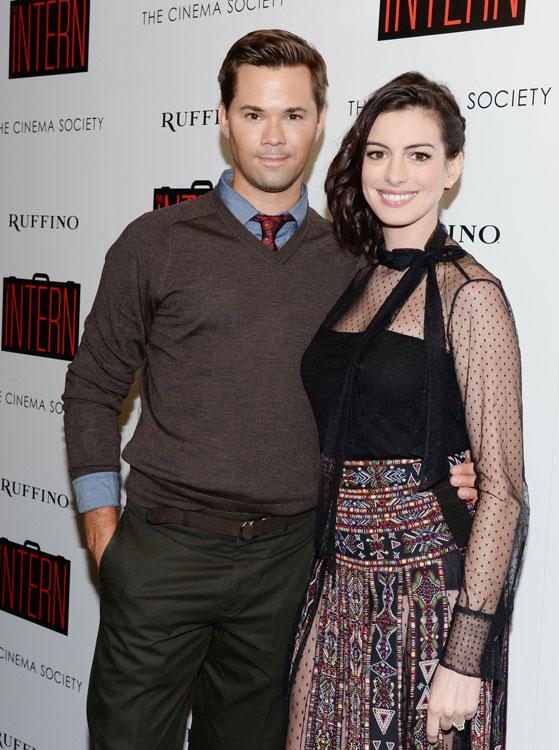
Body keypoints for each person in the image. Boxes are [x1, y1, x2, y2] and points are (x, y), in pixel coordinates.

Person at [62, 32, 478, 750]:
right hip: (165, 551)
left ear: (320, 123)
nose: (275, 136)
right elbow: (92, 388)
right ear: (223, 121)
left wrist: (451, 465)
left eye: (292, 115)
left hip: (288, 565)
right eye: (254, 114)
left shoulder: (353, 261)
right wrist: (106, 539)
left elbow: (386, 392)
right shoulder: (154, 243)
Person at [286, 72, 528, 750]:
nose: (395, 174)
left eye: (419, 154)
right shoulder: (362, 275)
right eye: (377, 152)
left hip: (428, 600)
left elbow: (503, 489)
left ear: (453, 168)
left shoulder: (470, 294)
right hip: (335, 588)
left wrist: (463, 658)